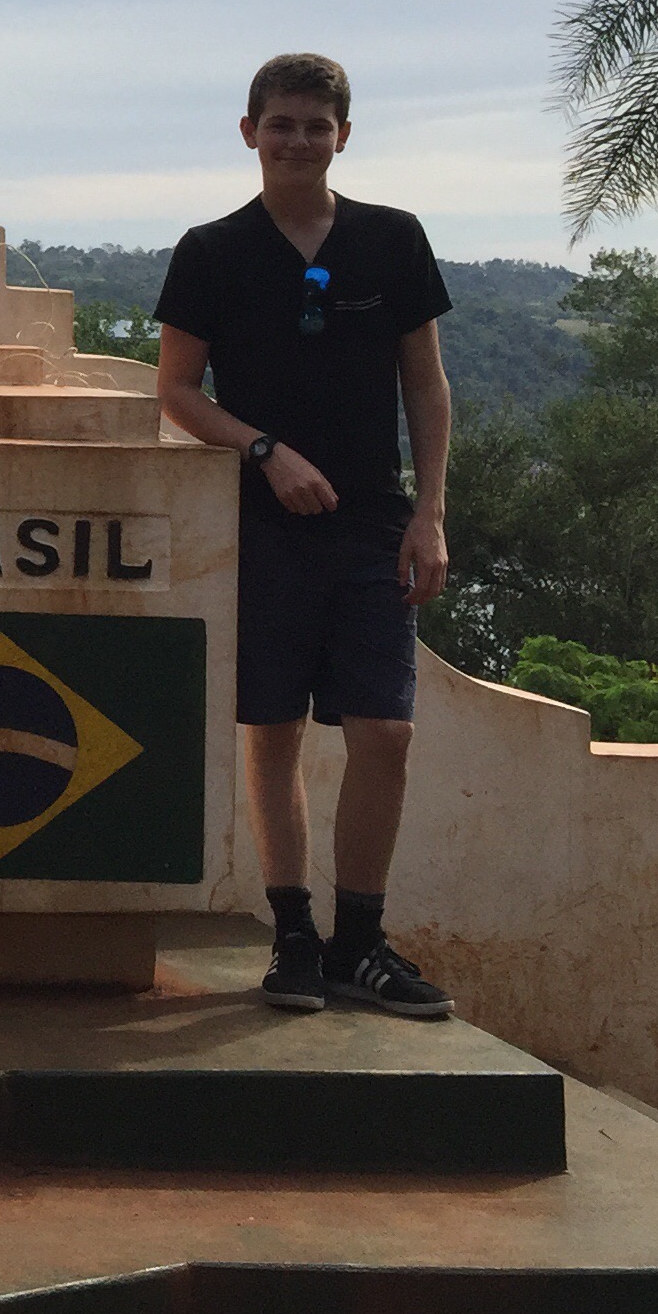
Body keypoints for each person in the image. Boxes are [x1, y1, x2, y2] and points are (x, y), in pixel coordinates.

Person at [153, 53, 455, 1019]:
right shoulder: (213, 251)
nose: (297, 141)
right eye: (280, 124)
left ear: (343, 137)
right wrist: (264, 450)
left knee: (385, 732)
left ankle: (359, 941)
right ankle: (293, 935)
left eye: (316, 126)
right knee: (273, 731)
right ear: (250, 133)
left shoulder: (392, 239)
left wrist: (430, 513)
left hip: (372, 522)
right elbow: (176, 392)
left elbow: (425, 385)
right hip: (261, 525)